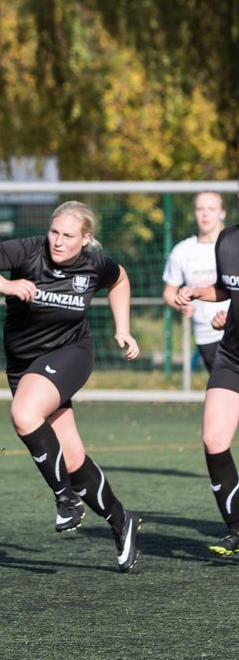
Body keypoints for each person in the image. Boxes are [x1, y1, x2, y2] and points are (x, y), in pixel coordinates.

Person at [0, 201, 143, 572]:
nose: (58, 241)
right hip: (23, 364)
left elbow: (119, 279)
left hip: (71, 353)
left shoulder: (95, 264)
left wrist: (123, 328)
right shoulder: (28, 250)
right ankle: (122, 521)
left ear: (86, 239)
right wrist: (5, 283)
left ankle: (65, 501)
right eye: (54, 232)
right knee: (72, 460)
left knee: (24, 414)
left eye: (68, 236)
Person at [172, 209, 239, 556]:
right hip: (232, 355)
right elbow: (228, 287)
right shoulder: (228, 240)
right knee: (214, 439)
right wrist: (200, 293)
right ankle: (237, 528)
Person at [163, 191, 230, 375]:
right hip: (206, 334)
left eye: (211, 208)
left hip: (234, 330)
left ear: (222, 213)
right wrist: (181, 305)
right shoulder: (183, 251)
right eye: (200, 209)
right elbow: (169, 293)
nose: (205, 213)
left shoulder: (232, 245)